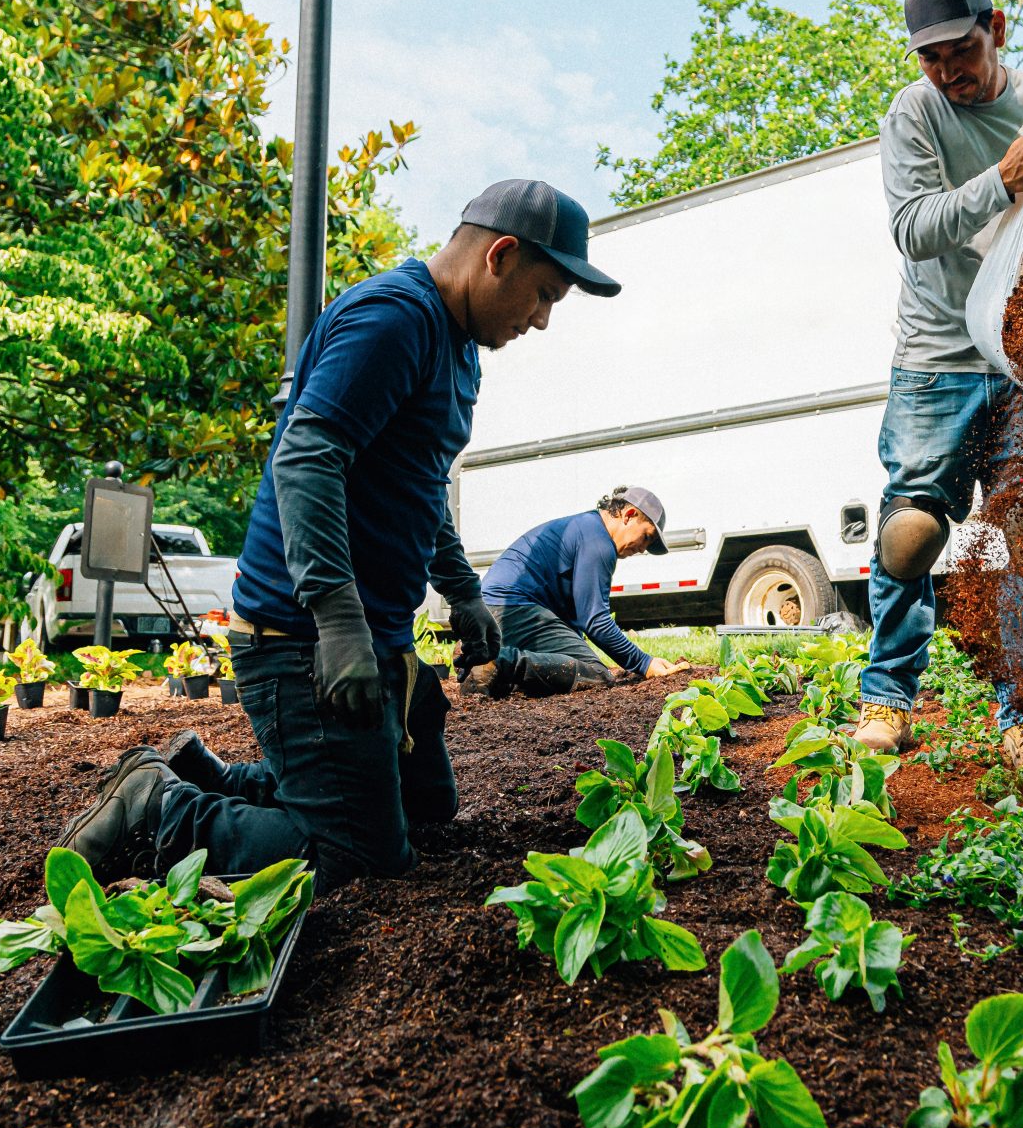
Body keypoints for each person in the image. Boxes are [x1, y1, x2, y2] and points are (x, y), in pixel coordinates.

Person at [61, 179, 621, 882]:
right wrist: (338, 620)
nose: (540, 320)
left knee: (426, 805)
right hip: (300, 638)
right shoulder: (394, 318)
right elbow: (307, 456)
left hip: (376, 638)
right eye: (544, 294)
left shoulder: (460, 345)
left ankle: (198, 771)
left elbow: (418, 485)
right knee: (359, 854)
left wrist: (463, 591)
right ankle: (157, 806)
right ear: (501, 255)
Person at [852, 0, 1023, 770]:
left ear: (995, 27)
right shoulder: (914, 114)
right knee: (910, 529)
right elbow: (913, 227)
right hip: (935, 356)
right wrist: (1002, 180)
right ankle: (888, 700)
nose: (947, 71)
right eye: (928, 58)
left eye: (960, 50)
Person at [473, 486, 683, 695]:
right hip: (510, 607)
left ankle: (488, 673)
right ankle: (494, 660)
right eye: (647, 537)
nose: (642, 549)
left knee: (565, 666)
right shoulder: (599, 543)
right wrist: (644, 663)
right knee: (594, 672)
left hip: (492, 609)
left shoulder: (587, 527)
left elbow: (573, 619)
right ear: (628, 515)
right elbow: (596, 621)